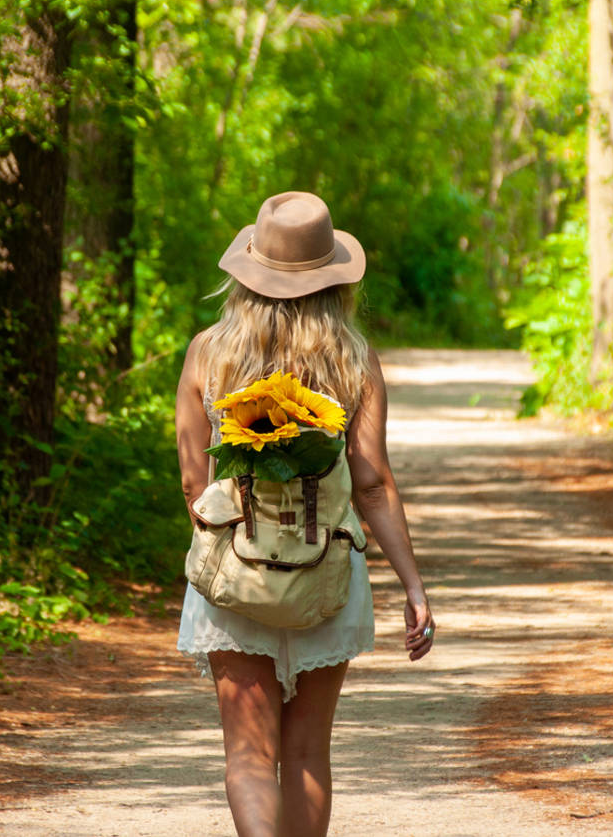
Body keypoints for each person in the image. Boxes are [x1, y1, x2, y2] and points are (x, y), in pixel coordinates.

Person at [175, 191, 434, 837]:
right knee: (307, 752)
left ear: (251, 272)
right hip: (327, 570)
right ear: (332, 281)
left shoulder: (209, 354)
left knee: (248, 756)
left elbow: (190, 478)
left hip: (237, 568)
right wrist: (412, 586)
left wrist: (232, 552)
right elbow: (371, 483)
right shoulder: (354, 360)